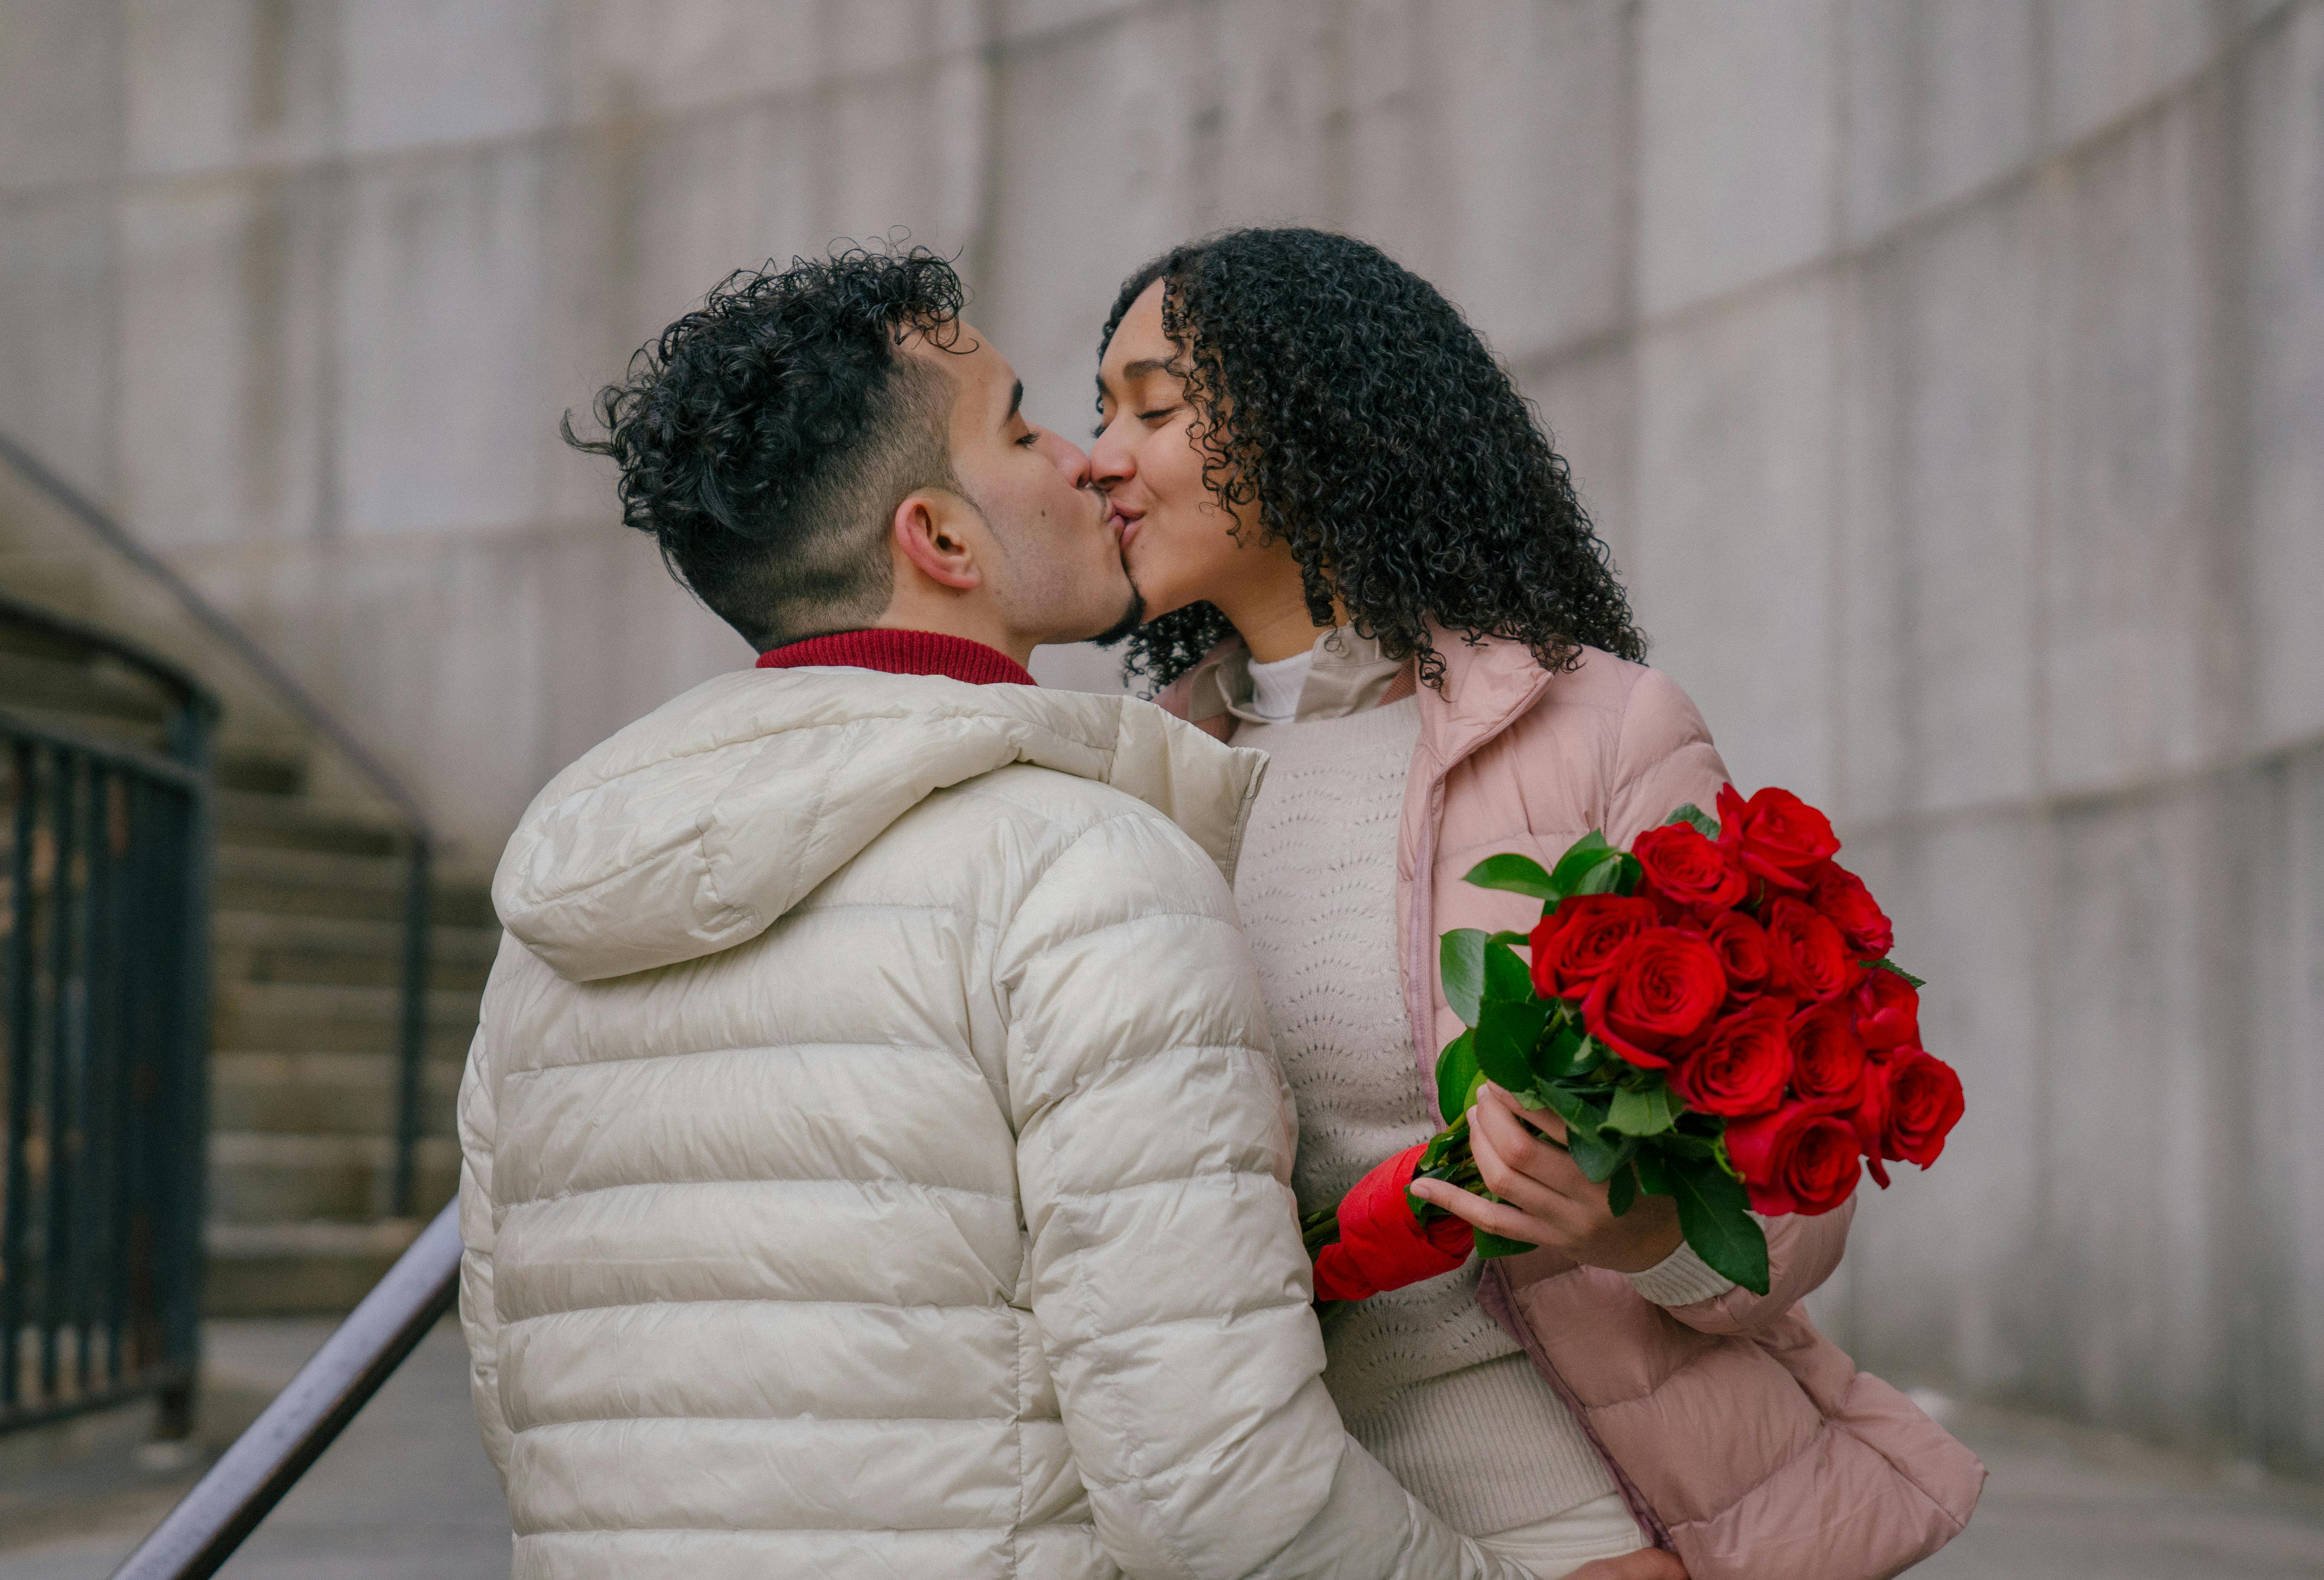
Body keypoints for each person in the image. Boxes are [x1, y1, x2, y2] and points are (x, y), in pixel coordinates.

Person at [455, 246, 1576, 1580]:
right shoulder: (1086, 871)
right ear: (936, 538)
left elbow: (510, 1390)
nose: (1084, 462)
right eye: (1024, 424)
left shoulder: (559, 915)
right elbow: (1216, 1489)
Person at [1087, 227, 1984, 1580]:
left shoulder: (1600, 732)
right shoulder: (1143, 787)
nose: (1099, 454)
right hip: (1267, 1529)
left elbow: (1791, 1193)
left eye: (1151, 409)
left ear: (1310, 421)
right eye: (1100, 413)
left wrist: (1646, 1231)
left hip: (1576, 1515)